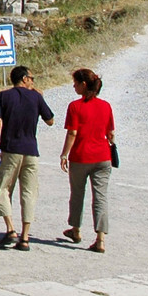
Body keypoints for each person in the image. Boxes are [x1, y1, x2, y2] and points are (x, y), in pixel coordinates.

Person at [0, 66, 55, 250]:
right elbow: (50, 120)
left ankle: (11, 229)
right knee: (28, 193)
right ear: (25, 79)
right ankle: (25, 237)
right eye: (32, 78)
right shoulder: (36, 97)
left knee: (2, 188)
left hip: (10, 149)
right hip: (31, 151)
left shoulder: (3, 96)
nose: (33, 81)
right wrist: (38, 95)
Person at [60, 67, 116, 253]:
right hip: (103, 157)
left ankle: (76, 230)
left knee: (77, 194)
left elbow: (72, 133)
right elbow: (110, 133)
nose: (74, 86)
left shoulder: (75, 106)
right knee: (100, 197)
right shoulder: (106, 106)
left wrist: (64, 154)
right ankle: (100, 239)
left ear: (84, 85)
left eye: (76, 83)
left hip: (81, 157)